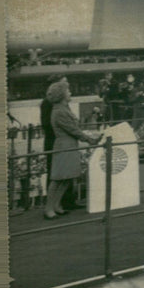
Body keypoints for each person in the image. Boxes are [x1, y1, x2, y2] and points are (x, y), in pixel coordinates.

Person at [44, 80, 101, 220]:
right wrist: (89, 139)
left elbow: (74, 128)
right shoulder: (60, 111)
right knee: (58, 179)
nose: (70, 93)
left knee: (67, 178)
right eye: (68, 91)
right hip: (64, 146)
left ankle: (56, 205)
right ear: (62, 95)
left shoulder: (63, 108)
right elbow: (73, 130)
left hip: (69, 145)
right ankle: (48, 208)